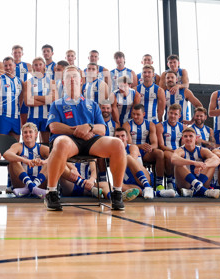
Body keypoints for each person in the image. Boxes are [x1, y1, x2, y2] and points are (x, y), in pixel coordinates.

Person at [43, 65, 127, 211]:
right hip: (68, 140)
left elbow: (102, 128)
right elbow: (54, 127)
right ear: (63, 82)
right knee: (61, 142)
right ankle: (51, 193)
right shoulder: (57, 104)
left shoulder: (92, 104)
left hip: (90, 141)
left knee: (118, 144)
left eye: (74, 76)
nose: (71, 80)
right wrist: (77, 130)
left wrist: (89, 127)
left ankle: (117, 192)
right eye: (68, 77)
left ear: (81, 80)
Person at [114, 128, 175, 199]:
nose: (120, 138)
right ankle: (156, 193)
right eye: (117, 136)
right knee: (117, 187)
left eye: (122, 136)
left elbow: (132, 157)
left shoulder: (132, 147)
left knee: (128, 158)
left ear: (127, 138)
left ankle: (147, 187)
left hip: (143, 177)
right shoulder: (113, 152)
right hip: (129, 182)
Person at [122, 104, 165, 190]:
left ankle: (159, 184)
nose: (135, 116)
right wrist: (140, 146)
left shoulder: (150, 124)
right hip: (132, 151)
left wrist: (150, 147)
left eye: (138, 114)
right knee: (132, 151)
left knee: (160, 153)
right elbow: (129, 143)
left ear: (144, 114)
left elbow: (155, 144)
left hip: (145, 152)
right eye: (133, 114)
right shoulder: (127, 125)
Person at [171, 127, 220, 198]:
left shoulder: (202, 150)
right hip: (185, 186)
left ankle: (195, 189)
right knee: (178, 163)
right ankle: (202, 189)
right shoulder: (180, 150)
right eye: (185, 136)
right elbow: (173, 159)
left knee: (210, 162)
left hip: (202, 181)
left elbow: (217, 159)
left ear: (196, 138)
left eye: (191, 136)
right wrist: (194, 163)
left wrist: (204, 165)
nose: (188, 138)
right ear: (182, 139)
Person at [3, 122, 49, 198]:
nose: (28, 134)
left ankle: (31, 187)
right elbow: (6, 154)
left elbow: (56, 157)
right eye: (25, 132)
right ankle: (32, 187)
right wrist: (24, 160)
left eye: (30, 132)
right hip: (21, 183)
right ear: (22, 135)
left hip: (40, 183)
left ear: (36, 134)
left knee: (51, 162)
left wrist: (43, 161)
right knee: (13, 159)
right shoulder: (18, 146)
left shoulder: (42, 148)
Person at [0, 57, 23, 139]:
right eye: (5, 66)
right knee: (0, 146)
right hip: (2, 117)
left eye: (10, 65)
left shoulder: (20, 81)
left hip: (15, 118)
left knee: (15, 146)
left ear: (14, 65)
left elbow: (20, 100)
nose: (8, 68)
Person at [23, 57, 54, 144]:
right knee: (30, 142)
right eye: (36, 65)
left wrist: (35, 97)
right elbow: (28, 102)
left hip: (47, 116)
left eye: (40, 64)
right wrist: (46, 99)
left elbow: (53, 99)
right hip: (33, 116)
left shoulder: (51, 82)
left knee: (46, 143)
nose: (38, 67)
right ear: (33, 66)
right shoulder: (28, 82)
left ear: (44, 66)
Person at [155, 104, 184, 190]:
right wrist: (174, 152)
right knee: (168, 155)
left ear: (179, 116)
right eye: (171, 113)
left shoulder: (183, 127)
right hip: (166, 150)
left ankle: (182, 184)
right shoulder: (160, 126)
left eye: (175, 114)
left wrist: (178, 152)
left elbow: (183, 145)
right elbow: (161, 145)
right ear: (167, 113)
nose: (172, 116)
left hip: (179, 151)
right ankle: (169, 181)